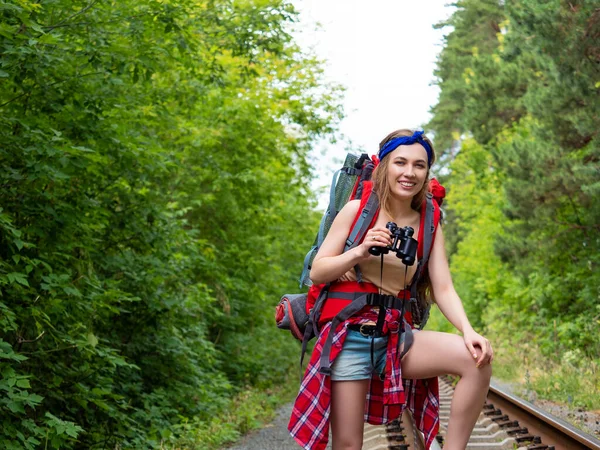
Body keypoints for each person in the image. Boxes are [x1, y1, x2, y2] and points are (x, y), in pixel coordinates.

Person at [288, 129, 493, 450]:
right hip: (351, 336)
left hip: (399, 336)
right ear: (384, 165)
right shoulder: (357, 211)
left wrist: (468, 330)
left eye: (419, 165)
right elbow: (318, 271)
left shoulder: (430, 221)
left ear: (427, 173)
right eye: (400, 162)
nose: (409, 172)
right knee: (348, 444)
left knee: (475, 360)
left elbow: (443, 288)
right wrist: (359, 251)